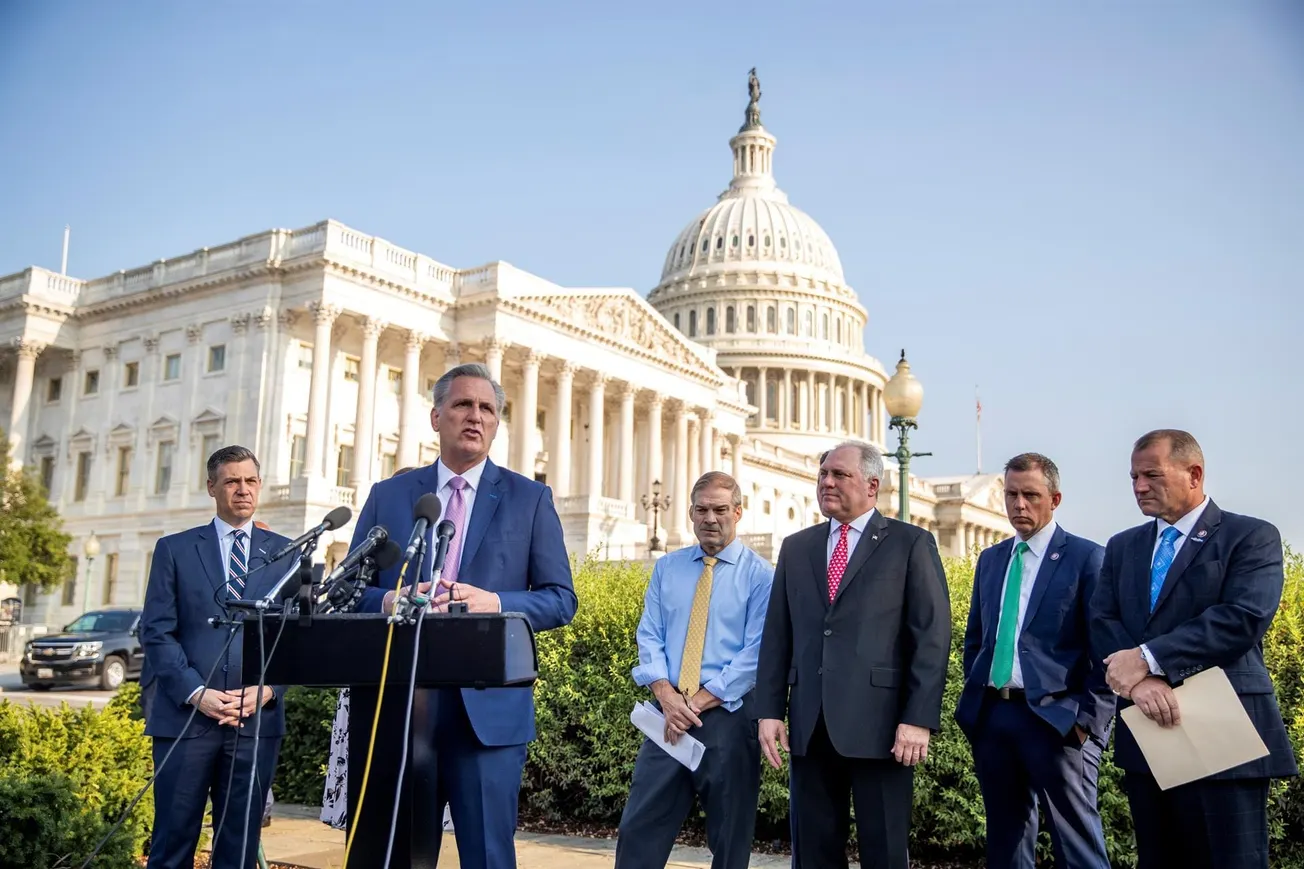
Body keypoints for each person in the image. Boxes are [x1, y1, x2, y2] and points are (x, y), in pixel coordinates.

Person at [353, 362, 578, 869]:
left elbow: (561, 599)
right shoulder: (389, 496)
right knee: (397, 858)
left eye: (487, 409)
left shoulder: (530, 499)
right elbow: (351, 593)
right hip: (400, 710)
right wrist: (388, 600)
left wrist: (494, 602)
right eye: (462, 405)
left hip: (488, 714)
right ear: (435, 417)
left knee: (488, 857)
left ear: (497, 423)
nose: (475, 417)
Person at [1091, 429, 1298, 869]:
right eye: (1133, 477)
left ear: (1194, 474)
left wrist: (1147, 659)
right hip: (1148, 731)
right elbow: (1102, 621)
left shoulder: (1251, 536)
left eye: (1151, 474)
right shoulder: (1122, 546)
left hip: (1225, 733)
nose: (1139, 486)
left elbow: (1241, 618)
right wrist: (1140, 684)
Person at [755, 440, 951, 869]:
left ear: (872, 485)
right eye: (822, 474)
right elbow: (777, 636)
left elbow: (931, 638)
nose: (827, 481)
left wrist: (917, 719)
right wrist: (769, 711)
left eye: (839, 475)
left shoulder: (910, 544)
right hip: (811, 725)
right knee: (813, 853)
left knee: (883, 851)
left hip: (881, 728)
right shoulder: (797, 547)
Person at [954, 453, 1114, 868]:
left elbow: (1106, 653)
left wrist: (1087, 725)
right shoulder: (991, 559)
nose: (1018, 505)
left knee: (1077, 843)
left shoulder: (1086, 558)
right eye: (1011, 495)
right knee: (1006, 843)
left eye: (1030, 495)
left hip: (1058, 721)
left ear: (1055, 498)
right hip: (995, 716)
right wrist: (978, 705)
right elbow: (978, 639)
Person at [140, 446, 292, 869]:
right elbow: (155, 631)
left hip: (255, 723)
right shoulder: (174, 549)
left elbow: (296, 639)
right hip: (186, 721)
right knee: (171, 842)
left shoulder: (287, 554)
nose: (242, 490)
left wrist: (267, 690)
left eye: (250, 481)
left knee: (239, 848)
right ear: (212, 487)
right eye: (231, 481)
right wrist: (196, 692)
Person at [615, 471, 774, 869]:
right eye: (701, 509)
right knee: (639, 831)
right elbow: (648, 635)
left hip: (729, 718)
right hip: (668, 717)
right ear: (690, 513)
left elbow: (755, 653)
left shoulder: (761, 577)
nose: (710, 518)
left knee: (730, 838)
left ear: (738, 512)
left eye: (720, 509)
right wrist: (669, 700)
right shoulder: (667, 569)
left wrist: (696, 703)